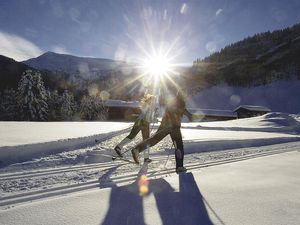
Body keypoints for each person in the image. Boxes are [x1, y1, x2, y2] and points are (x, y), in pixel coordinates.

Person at [131, 88, 193, 173]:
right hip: (173, 127)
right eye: (186, 94)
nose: (187, 96)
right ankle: (179, 167)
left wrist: (188, 115)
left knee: (153, 140)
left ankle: (137, 149)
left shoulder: (174, 101)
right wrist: (188, 115)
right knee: (179, 146)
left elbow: (176, 110)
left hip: (165, 125)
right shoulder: (181, 102)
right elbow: (177, 111)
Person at [114, 94, 157, 163]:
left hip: (138, 122)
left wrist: (153, 117)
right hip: (144, 123)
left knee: (131, 136)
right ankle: (146, 158)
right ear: (151, 101)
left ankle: (118, 147)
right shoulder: (150, 107)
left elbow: (146, 115)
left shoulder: (146, 105)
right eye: (154, 101)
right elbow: (148, 117)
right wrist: (153, 118)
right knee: (146, 141)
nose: (155, 102)